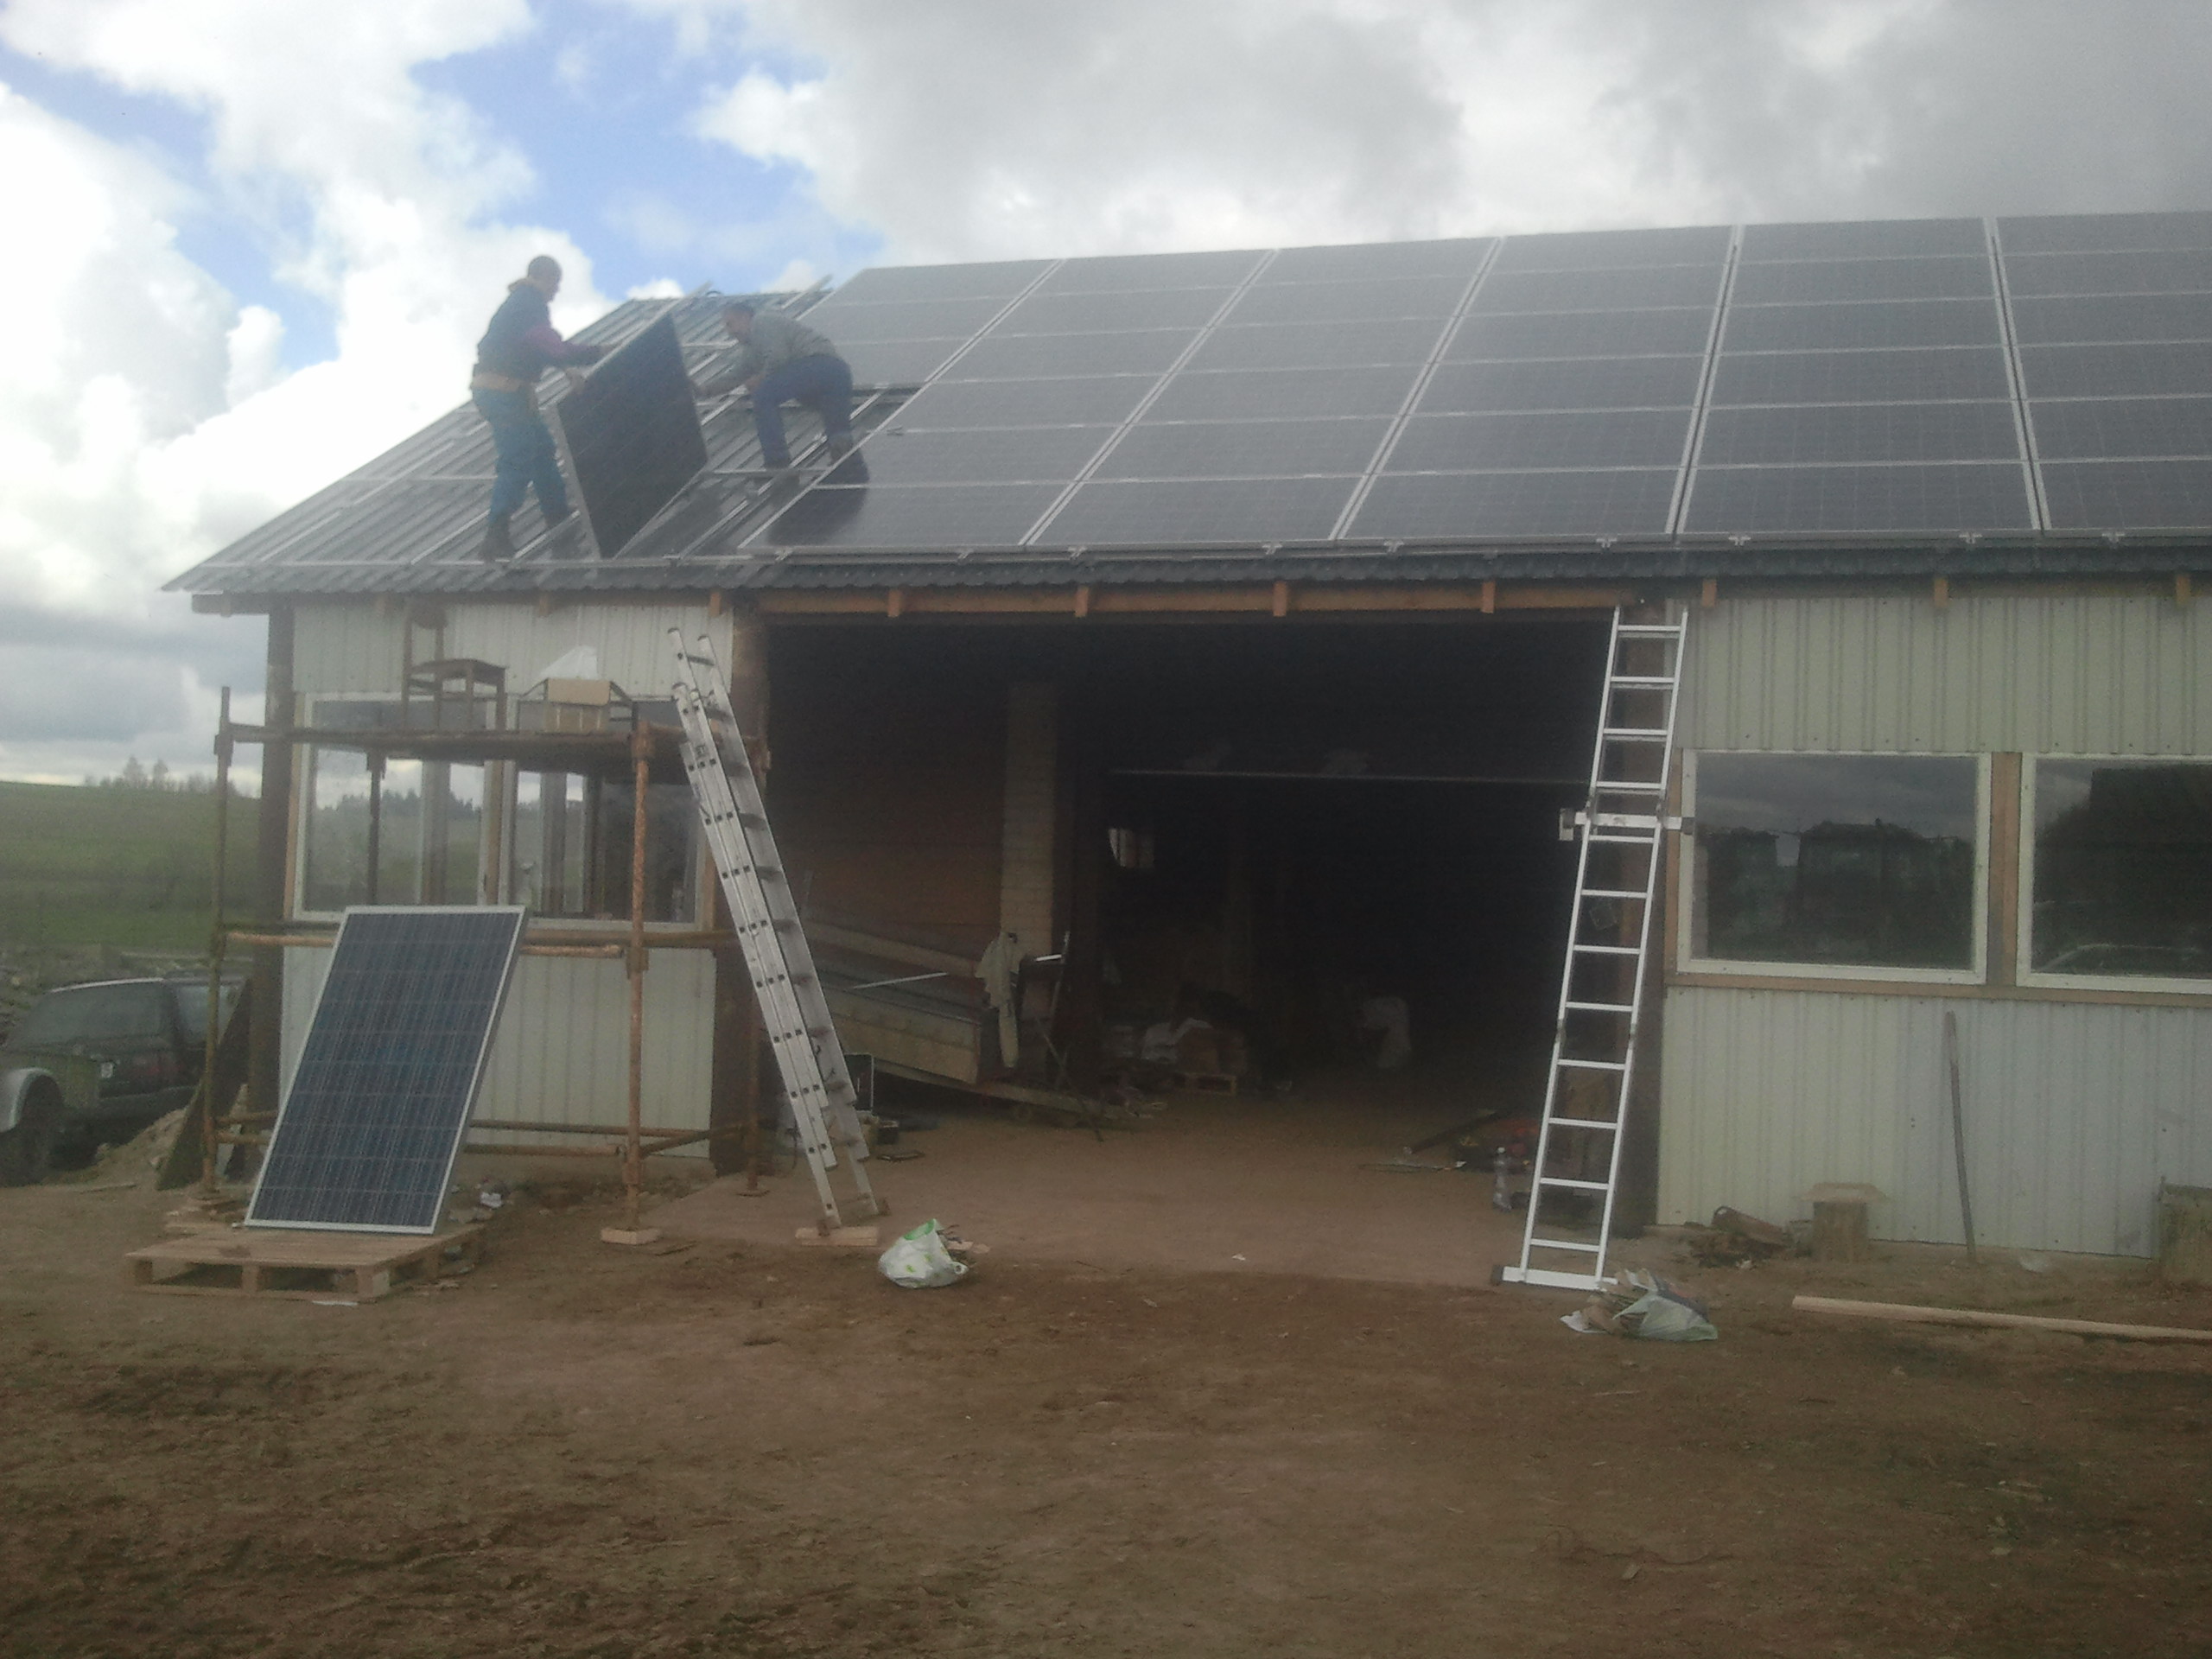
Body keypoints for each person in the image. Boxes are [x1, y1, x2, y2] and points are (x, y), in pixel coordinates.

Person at [470, 255, 607, 560]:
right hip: (502, 391)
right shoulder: (527, 300)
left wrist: (591, 355)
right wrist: (571, 365)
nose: (556, 292)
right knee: (518, 456)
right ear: (542, 277)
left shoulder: (523, 306)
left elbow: (548, 346)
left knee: (542, 451)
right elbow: (544, 341)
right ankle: (496, 534)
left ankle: (559, 522)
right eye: (555, 284)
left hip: (512, 393)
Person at [714, 300, 855, 469]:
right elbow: (736, 375)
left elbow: (778, 357)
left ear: (745, 316)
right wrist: (705, 390)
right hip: (837, 373)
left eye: (730, 324)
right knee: (836, 423)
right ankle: (846, 462)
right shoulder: (751, 349)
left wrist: (760, 378)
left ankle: (777, 461)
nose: (730, 332)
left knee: (764, 396)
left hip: (815, 364)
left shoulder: (762, 322)